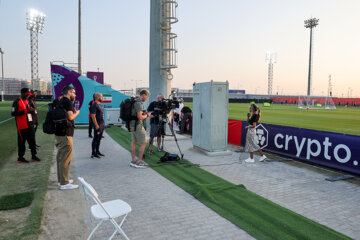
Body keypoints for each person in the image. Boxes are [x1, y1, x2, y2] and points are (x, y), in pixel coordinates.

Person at [55, 86, 80, 190]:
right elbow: (70, 117)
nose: (75, 95)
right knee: (65, 159)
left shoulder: (60, 102)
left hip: (59, 133)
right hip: (66, 134)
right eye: (74, 93)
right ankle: (64, 183)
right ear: (69, 92)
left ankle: (61, 180)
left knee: (60, 158)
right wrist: (77, 113)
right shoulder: (68, 102)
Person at [11, 88, 41, 164]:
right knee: (21, 142)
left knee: (32, 140)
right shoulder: (16, 102)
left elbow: (32, 109)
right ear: (22, 93)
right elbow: (13, 113)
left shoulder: (28, 101)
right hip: (22, 125)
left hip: (30, 123)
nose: (28, 95)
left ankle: (34, 156)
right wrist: (25, 111)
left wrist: (32, 110)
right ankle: (20, 157)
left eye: (28, 94)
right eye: (26, 94)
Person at [130, 89, 151, 168]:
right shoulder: (138, 103)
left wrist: (144, 113)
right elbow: (140, 117)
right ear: (144, 95)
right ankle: (139, 161)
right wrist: (147, 115)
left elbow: (136, 113)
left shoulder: (134, 101)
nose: (147, 98)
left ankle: (133, 160)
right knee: (144, 142)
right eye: (147, 96)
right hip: (137, 125)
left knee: (133, 142)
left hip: (131, 124)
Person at [90, 93, 105, 158]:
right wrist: (96, 125)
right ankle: (93, 153)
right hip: (98, 125)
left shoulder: (99, 105)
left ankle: (97, 151)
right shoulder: (94, 105)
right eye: (101, 96)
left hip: (102, 124)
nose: (102, 97)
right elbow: (93, 116)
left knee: (99, 139)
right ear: (98, 97)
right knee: (96, 139)